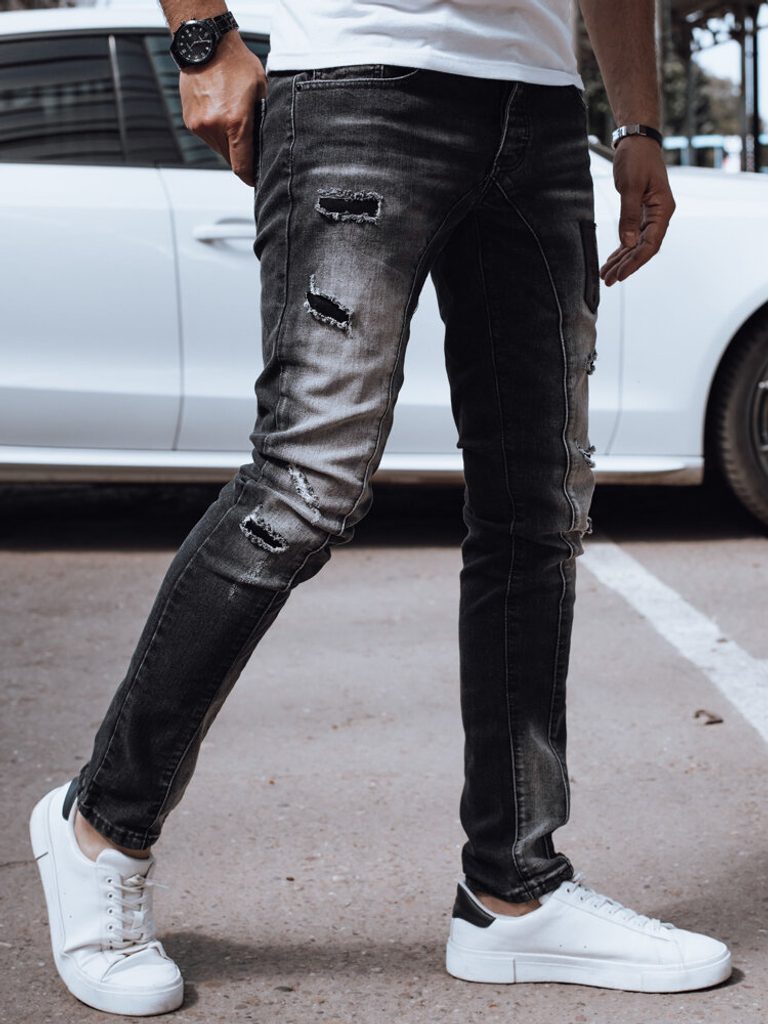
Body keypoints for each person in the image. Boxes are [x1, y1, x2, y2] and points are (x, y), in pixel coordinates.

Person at [29, 0, 732, 1015]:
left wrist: (637, 124)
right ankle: (102, 823)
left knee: (539, 509)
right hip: (359, 80)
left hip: (540, 109)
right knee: (304, 487)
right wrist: (202, 36)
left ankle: (514, 889)